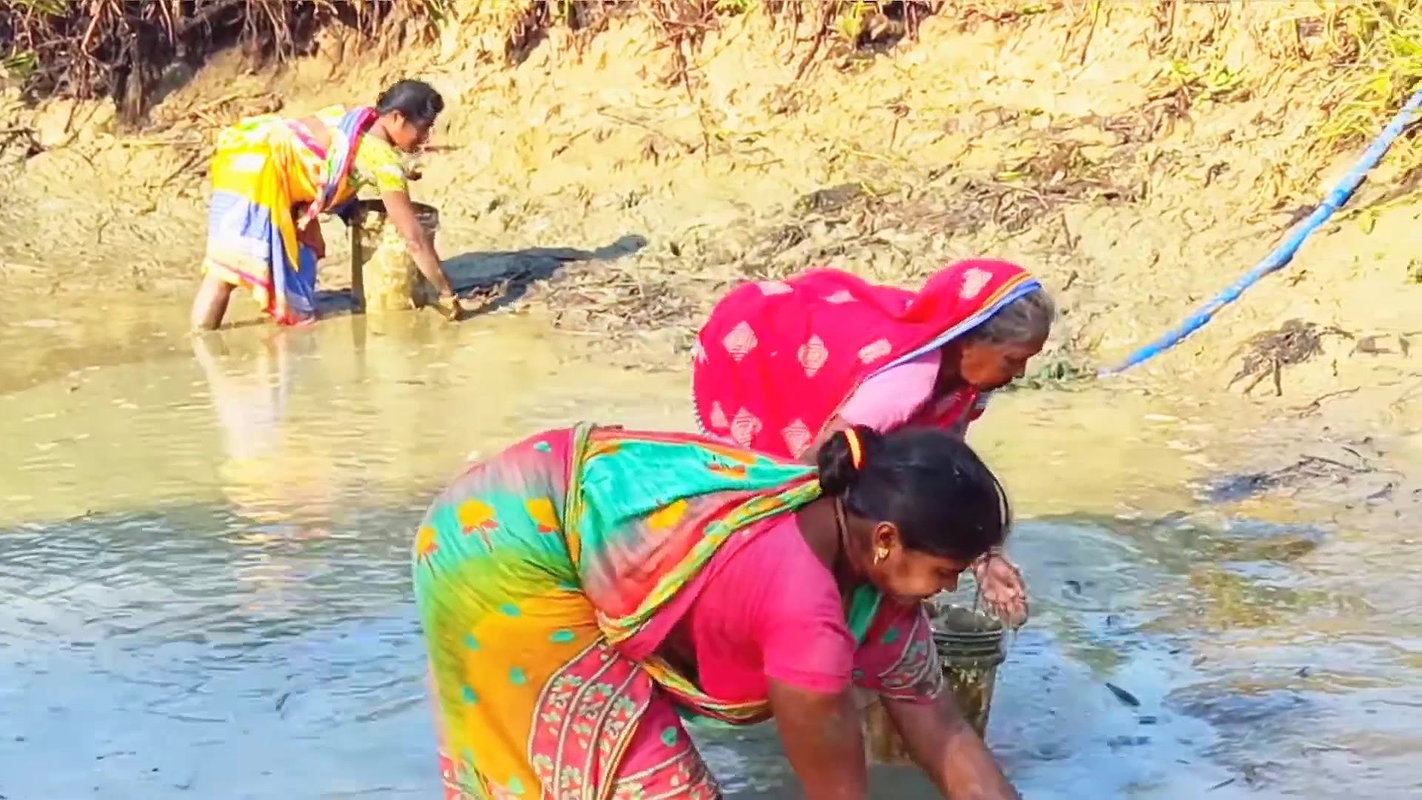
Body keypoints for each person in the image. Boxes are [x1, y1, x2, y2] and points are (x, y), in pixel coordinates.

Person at [413, 422, 1022, 800]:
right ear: (886, 538)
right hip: (505, 541)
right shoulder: (804, 611)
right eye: (945, 572)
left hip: (543, 500)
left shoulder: (872, 578)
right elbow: (837, 792)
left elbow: (943, 731)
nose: (944, 592)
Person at [691, 258, 1054, 626]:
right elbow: (821, 464)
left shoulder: (968, 387)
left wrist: (984, 558)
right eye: (1012, 360)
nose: (1019, 373)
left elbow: (937, 480)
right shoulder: (901, 386)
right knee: (791, 505)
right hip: (759, 347)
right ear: (967, 340)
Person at [189, 79, 462, 330]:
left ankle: (220, 347)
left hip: (246, 153)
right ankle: (204, 346)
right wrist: (447, 291)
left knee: (252, 272)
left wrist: (349, 207)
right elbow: (414, 238)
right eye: (424, 128)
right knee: (223, 274)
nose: (425, 138)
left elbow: (327, 164)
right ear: (397, 118)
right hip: (257, 176)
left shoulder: (357, 120)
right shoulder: (384, 161)